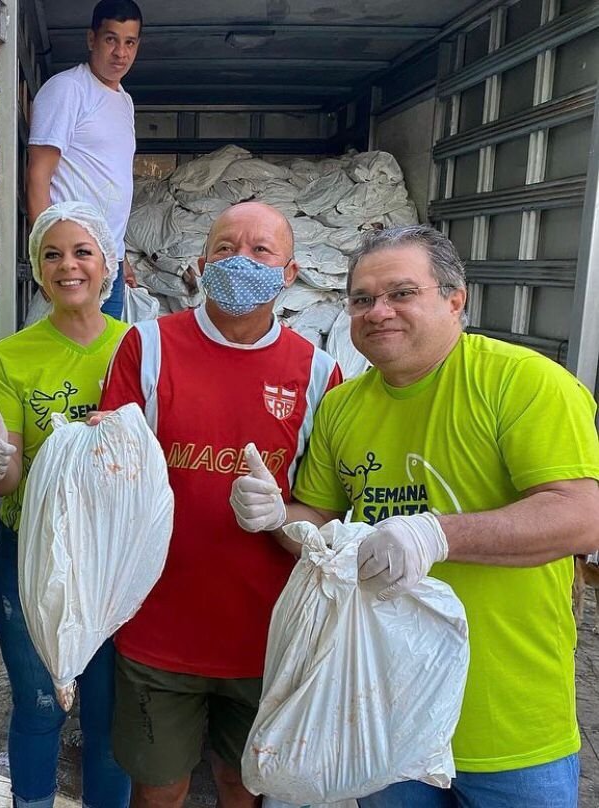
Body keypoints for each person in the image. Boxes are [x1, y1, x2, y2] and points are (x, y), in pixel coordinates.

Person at [231, 224, 599, 808]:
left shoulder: (523, 382)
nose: (378, 312)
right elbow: (318, 519)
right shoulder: (343, 406)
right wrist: (278, 517)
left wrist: (437, 534)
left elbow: (581, 516)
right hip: (385, 720)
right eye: (362, 299)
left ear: (455, 300)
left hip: (506, 724)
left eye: (401, 293)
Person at [97, 201, 341, 806]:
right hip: (157, 625)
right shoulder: (147, 347)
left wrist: (282, 517)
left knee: (243, 783)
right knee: (159, 789)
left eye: (261, 251)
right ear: (202, 265)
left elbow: (328, 512)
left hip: (265, 634)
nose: (241, 260)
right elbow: (111, 482)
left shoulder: (317, 374)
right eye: (226, 248)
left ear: (290, 273)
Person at [0, 201, 131, 807]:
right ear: (38, 270)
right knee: (41, 705)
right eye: (52, 254)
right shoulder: (10, 358)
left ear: (107, 264)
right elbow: (7, 481)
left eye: (82, 252)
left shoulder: (139, 349)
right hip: (30, 559)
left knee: (108, 715)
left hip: (112, 563)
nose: (68, 265)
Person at [27, 0, 142, 320]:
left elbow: (111, 179)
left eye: (129, 42)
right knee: (60, 350)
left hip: (111, 263)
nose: (120, 53)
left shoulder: (124, 101)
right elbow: (38, 175)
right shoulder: (68, 89)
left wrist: (121, 256)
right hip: (72, 262)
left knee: (106, 353)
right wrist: (45, 259)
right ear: (92, 39)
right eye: (111, 39)